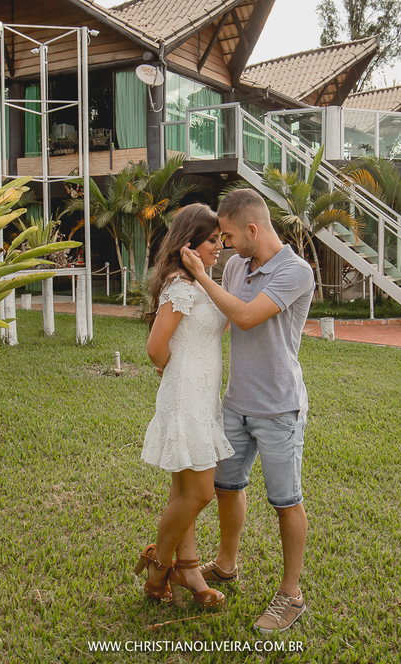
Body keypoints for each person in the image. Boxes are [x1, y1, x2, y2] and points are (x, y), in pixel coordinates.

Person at [179, 187, 315, 634]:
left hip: (278, 408)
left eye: (230, 236)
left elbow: (246, 316)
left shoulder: (296, 271)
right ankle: (226, 563)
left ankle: (291, 595)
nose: (225, 244)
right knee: (226, 485)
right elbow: (218, 315)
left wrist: (202, 277)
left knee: (285, 501)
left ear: (253, 229)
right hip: (235, 403)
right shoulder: (238, 265)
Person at [134, 203, 234, 609]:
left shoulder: (201, 282)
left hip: (204, 394)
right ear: (189, 244)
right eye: (212, 240)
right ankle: (159, 565)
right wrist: (170, 372)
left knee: (182, 490)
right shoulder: (180, 286)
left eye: (220, 240)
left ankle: (188, 568)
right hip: (186, 396)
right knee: (201, 492)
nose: (219, 247)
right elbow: (155, 347)